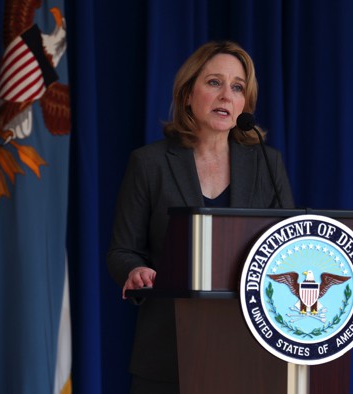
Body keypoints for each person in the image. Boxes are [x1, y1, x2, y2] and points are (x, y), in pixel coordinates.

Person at [106, 40, 295, 392]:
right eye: (214, 82)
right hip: (167, 354)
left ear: (244, 105)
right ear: (187, 94)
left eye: (237, 87)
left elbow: (291, 250)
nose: (226, 95)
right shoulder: (149, 164)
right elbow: (122, 250)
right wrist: (135, 271)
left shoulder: (267, 165)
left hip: (250, 352)